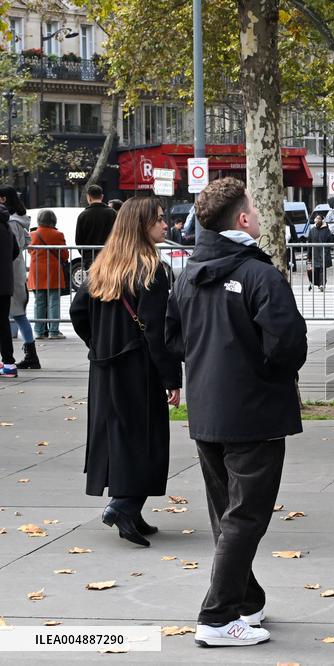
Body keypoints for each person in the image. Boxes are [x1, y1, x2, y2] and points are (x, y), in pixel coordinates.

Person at [165, 177, 307, 648]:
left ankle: (245, 597)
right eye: (256, 208)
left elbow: (172, 339)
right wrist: (264, 372)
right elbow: (288, 345)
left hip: (208, 409)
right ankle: (217, 615)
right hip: (254, 412)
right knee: (244, 517)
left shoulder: (188, 274)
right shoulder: (259, 275)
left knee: (228, 513)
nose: (263, 215)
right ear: (243, 220)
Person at [69, 197, 181, 548]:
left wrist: (98, 344)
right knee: (144, 439)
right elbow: (155, 329)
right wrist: (171, 378)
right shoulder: (152, 270)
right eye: (159, 220)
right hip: (139, 367)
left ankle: (130, 508)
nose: (166, 225)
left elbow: (78, 312)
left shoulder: (102, 266)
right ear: (141, 226)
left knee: (117, 436)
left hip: (105, 367)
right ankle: (123, 505)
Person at [1, 187, 39, 369]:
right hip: (15, 273)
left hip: (11, 272)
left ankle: (29, 354)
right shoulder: (18, 221)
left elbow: (12, 249)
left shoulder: (12, 222)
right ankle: (30, 353)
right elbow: (25, 242)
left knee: (17, 315)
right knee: (17, 315)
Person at [27, 210, 68, 340]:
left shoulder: (32, 235)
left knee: (39, 302)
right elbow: (65, 255)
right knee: (54, 302)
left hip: (37, 272)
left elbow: (29, 252)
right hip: (53, 272)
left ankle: (38, 332)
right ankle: (53, 332)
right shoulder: (58, 234)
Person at [76, 184, 117, 271]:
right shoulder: (112, 213)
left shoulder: (83, 215)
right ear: (102, 196)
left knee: (93, 282)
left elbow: (79, 239)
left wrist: (85, 254)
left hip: (90, 257)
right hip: (109, 255)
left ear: (88, 197)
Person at [0, 205, 16, 378]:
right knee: (3, 323)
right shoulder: (7, 226)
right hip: (5, 283)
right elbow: (16, 251)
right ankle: (9, 363)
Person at [305, 213, 334, 292]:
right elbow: (309, 243)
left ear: (322, 220)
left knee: (322, 269)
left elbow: (330, 240)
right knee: (315, 270)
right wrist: (308, 255)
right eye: (316, 218)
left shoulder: (326, 230)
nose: (317, 220)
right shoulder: (312, 230)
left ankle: (322, 284)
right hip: (315, 254)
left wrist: (326, 251)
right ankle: (316, 284)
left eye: (319, 219)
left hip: (323, 253)